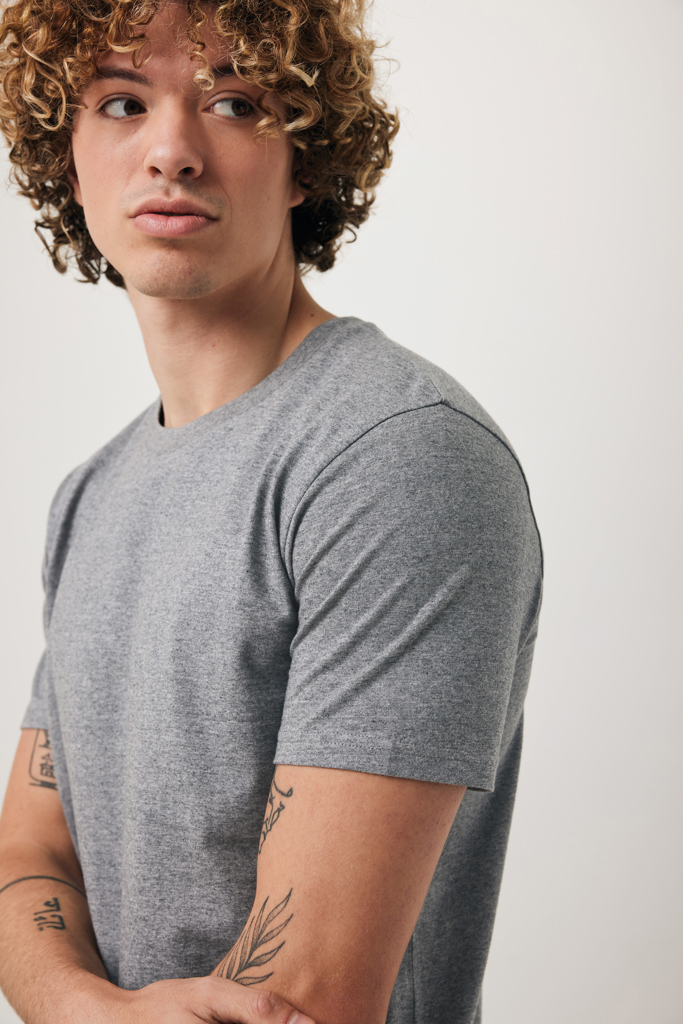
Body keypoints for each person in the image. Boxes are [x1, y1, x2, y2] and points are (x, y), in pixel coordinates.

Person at [0, 1, 543, 1022]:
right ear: (64, 159)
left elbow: (301, 1000)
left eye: (235, 102)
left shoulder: (394, 456)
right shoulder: (91, 494)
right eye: (121, 102)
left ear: (305, 160)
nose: (172, 150)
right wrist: (86, 1008)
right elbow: (29, 854)